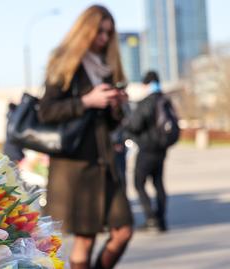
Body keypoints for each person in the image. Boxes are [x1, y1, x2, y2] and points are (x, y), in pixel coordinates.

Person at [38, 5, 133, 269]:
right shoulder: (64, 60)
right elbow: (47, 111)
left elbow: (111, 123)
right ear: (85, 30)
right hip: (76, 165)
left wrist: (116, 106)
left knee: (124, 229)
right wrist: (87, 101)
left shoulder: (107, 66)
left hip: (104, 162)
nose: (103, 38)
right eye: (99, 32)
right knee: (85, 239)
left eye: (108, 33)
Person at [125, 71, 173, 232]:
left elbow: (135, 125)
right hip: (162, 149)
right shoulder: (165, 101)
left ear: (146, 84)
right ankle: (162, 220)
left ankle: (151, 219)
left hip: (146, 149)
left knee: (139, 183)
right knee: (159, 183)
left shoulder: (146, 102)